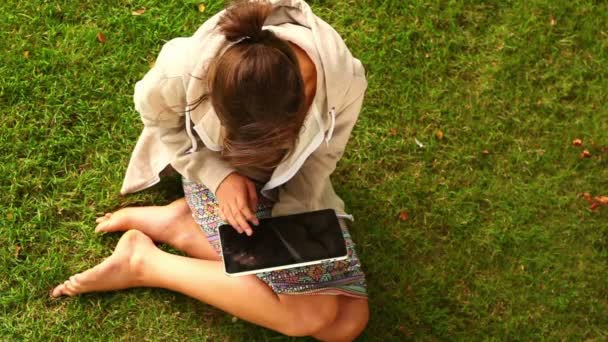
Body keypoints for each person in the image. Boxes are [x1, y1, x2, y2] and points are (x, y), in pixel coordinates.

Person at [51, 0, 368, 340]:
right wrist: (220, 177)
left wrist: (291, 225)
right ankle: (144, 263)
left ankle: (182, 228)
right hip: (213, 176)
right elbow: (160, 122)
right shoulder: (184, 67)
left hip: (293, 188)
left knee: (346, 323)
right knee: (309, 315)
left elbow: (320, 159)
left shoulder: (343, 82)